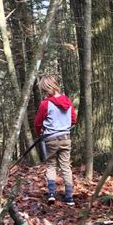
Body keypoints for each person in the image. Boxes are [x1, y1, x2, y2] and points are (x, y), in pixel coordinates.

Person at [34, 75, 77, 206]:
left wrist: (40, 131)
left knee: (51, 165)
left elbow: (37, 123)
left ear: (46, 88)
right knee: (65, 167)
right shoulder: (67, 101)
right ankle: (69, 197)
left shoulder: (45, 104)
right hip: (65, 138)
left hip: (50, 139)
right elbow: (74, 119)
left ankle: (52, 194)